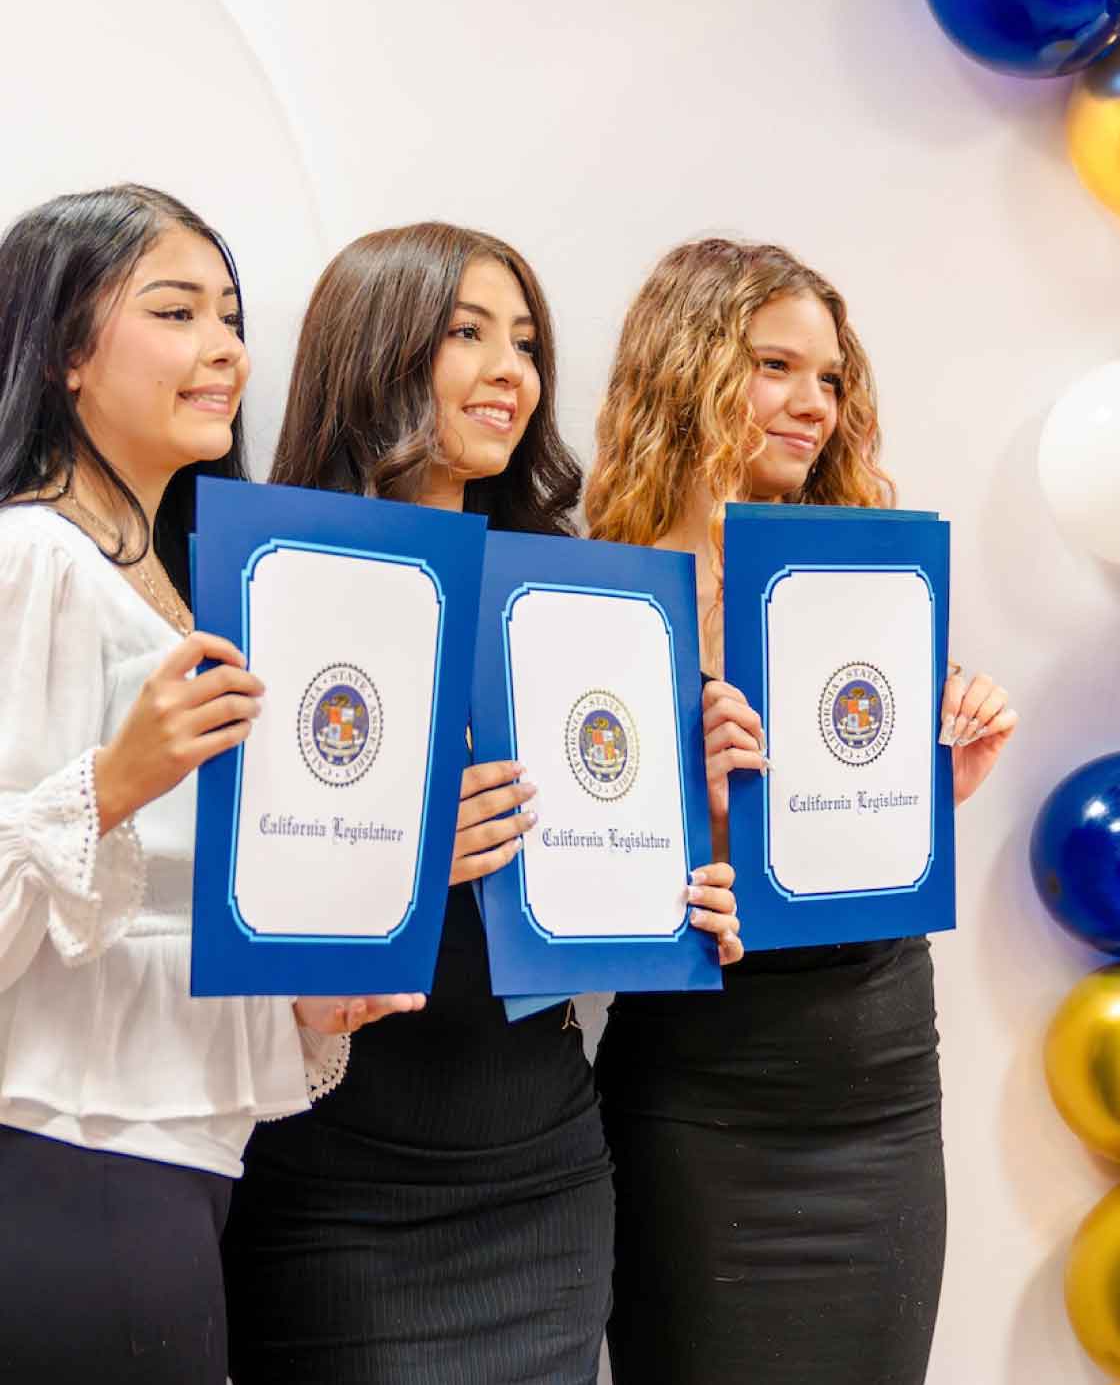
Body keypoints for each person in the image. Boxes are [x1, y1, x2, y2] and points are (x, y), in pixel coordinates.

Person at [221, 221, 742, 1385]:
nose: (513, 370)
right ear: (377, 346)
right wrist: (403, 858)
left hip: (544, 1169)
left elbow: (604, 878)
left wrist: (696, 865)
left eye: (526, 340)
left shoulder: (580, 589)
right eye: (469, 334)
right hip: (336, 1182)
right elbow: (225, 902)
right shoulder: (272, 577)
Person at [0, 184, 420, 1385]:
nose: (225, 348)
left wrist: (306, 1012)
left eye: (230, 316)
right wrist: (112, 784)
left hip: (175, 1160)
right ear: (67, 353)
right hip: (69, 1159)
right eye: (175, 312)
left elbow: (159, 917)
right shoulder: (33, 558)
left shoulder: (177, 586)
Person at [585, 237, 1018, 1385]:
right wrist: (701, 827)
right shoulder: (595, 598)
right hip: (698, 1097)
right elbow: (565, 868)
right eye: (775, 367)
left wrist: (944, 771)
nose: (813, 404)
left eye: (830, 378)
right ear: (688, 369)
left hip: (876, 1079)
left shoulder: (865, 583)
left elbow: (865, 821)